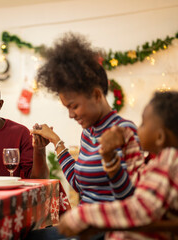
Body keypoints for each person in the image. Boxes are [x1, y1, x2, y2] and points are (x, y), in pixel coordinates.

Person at [58, 91, 178, 240]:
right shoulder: (167, 163)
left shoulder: (169, 166)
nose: (137, 129)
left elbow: (138, 210)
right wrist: (124, 141)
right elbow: (134, 182)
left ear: (160, 137)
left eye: (143, 124)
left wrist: (83, 215)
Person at [31, 33, 143, 205]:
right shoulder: (88, 132)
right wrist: (55, 141)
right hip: (85, 221)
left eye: (74, 106)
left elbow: (131, 199)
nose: (71, 115)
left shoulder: (124, 130)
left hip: (106, 227)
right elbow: (79, 185)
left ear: (96, 94)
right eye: (67, 108)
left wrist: (110, 159)